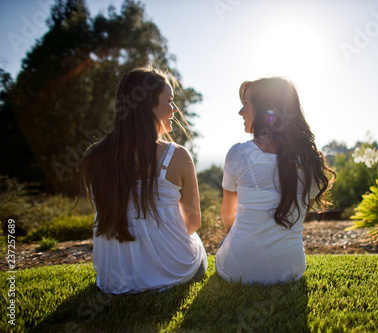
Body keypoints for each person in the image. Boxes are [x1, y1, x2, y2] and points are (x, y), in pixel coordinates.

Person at [81, 67, 207, 294]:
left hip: (115, 279)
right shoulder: (176, 156)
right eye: (169, 101)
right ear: (147, 107)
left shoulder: (93, 158)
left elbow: (107, 215)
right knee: (199, 252)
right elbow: (193, 223)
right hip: (174, 271)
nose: (175, 109)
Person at [216, 77, 335, 284]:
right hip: (290, 269)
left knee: (225, 245)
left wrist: (234, 241)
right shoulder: (312, 161)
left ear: (266, 110)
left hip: (237, 269)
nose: (240, 112)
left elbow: (228, 214)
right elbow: (299, 214)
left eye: (245, 104)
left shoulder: (238, 154)